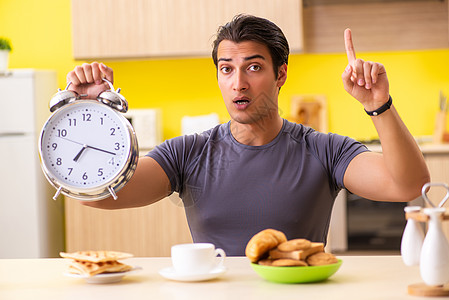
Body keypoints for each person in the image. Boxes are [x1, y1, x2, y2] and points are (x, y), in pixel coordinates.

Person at [66, 14, 430, 256]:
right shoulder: (186, 153)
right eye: (227, 69)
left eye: (254, 67)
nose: (238, 82)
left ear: (280, 74)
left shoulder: (324, 150)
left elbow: (408, 186)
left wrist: (378, 103)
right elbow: (97, 197)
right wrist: (89, 113)